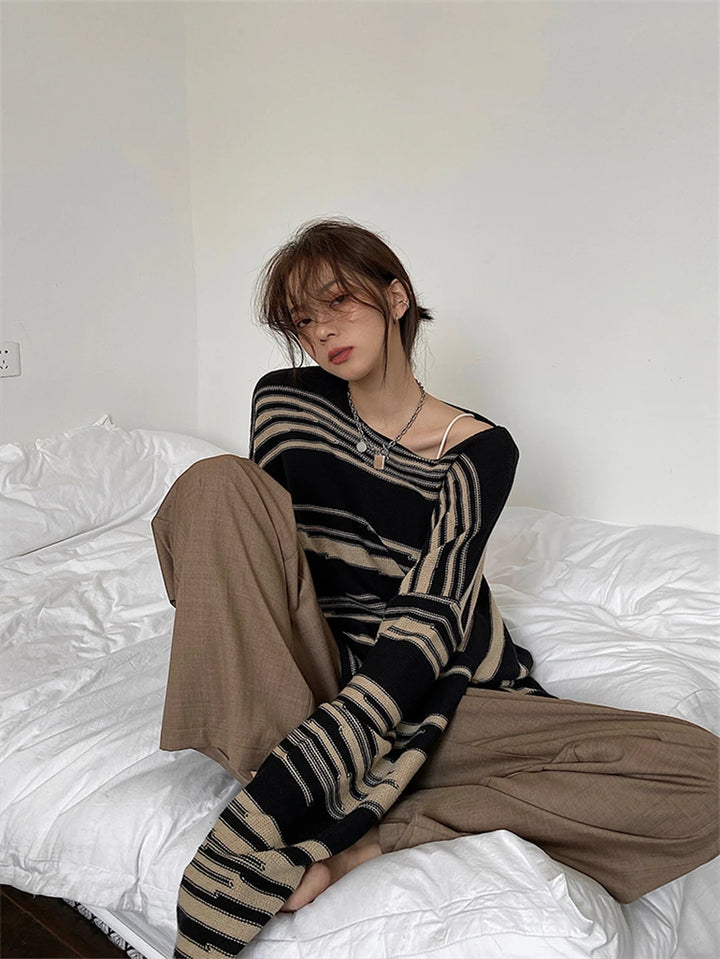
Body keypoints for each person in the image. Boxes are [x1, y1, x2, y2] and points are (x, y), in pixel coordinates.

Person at [152, 218, 719, 959]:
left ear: (395, 298)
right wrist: (304, 737)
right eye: (303, 319)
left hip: (435, 688)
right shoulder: (284, 402)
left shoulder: (480, 450)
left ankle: (364, 832)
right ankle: (289, 777)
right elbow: (252, 563)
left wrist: (333, 753)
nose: (322, 330)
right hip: (314, 669)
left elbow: (429, 617)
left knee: (702, 774)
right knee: (215, 485)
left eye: (337, 301)